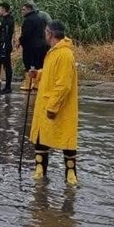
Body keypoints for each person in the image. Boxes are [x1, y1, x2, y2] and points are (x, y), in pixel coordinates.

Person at [29, 20, 79, 186]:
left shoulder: (65, 54)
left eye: (45, 32)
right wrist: (38, 74)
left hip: (58, 107)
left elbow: (63, 85)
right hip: (45, 103)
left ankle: (71, 175)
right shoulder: (53, 52)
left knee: (66, 139)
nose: (44, 35)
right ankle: (40, 171)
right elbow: (51, 73)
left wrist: (53, 107)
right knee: (41, 137)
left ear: (50, 33)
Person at [18, 1, 49, 91]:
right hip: (42, 46)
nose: (22, 11)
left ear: (29, 9)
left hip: (31, 47)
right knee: (39, 65)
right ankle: (37, 84)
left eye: (24, 10)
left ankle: (28, 84)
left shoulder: (28, 20)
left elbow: (26, 34)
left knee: (29, 65)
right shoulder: (40, 19)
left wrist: (20, 42)